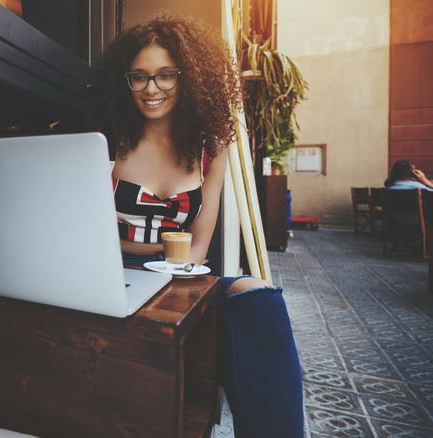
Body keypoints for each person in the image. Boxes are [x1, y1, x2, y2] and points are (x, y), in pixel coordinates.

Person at [89, 13, 304, 437]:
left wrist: (152, 251)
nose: (152, 89)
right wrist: (159, 250)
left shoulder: (211, 148)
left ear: (187, 78)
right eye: (140, 77)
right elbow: (93, 241)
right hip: (114, 277)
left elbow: (199, 250)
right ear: (125, 81)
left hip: (180, 281)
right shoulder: (106, 144)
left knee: (255, 293)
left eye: (165, 75)